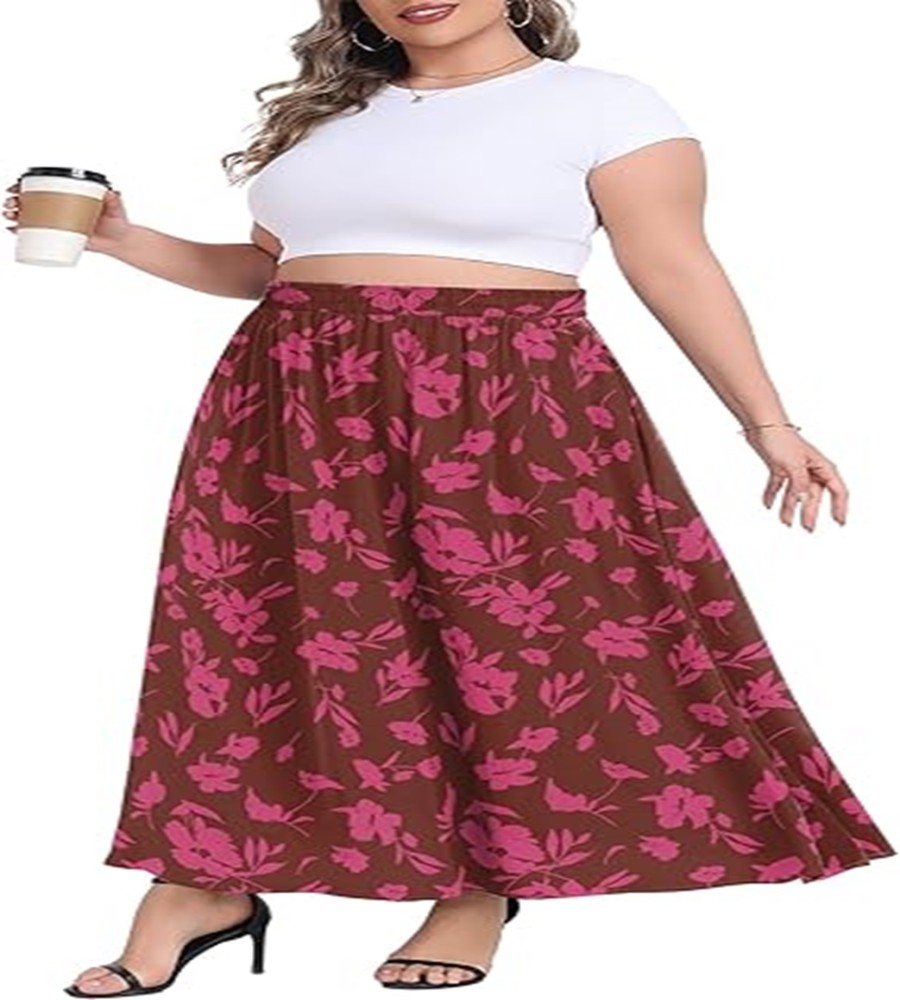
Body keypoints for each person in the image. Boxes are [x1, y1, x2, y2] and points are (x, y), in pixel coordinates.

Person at [6, 0, 895, 995]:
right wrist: (125, 240)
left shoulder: (606, 106)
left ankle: (477, 882)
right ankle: (202, 881)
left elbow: (673, 265)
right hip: (294, 398)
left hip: (500, 401)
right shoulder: (326, 113)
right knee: (255, 635)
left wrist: (767, 423)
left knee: (502, 644)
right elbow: (268, 269)